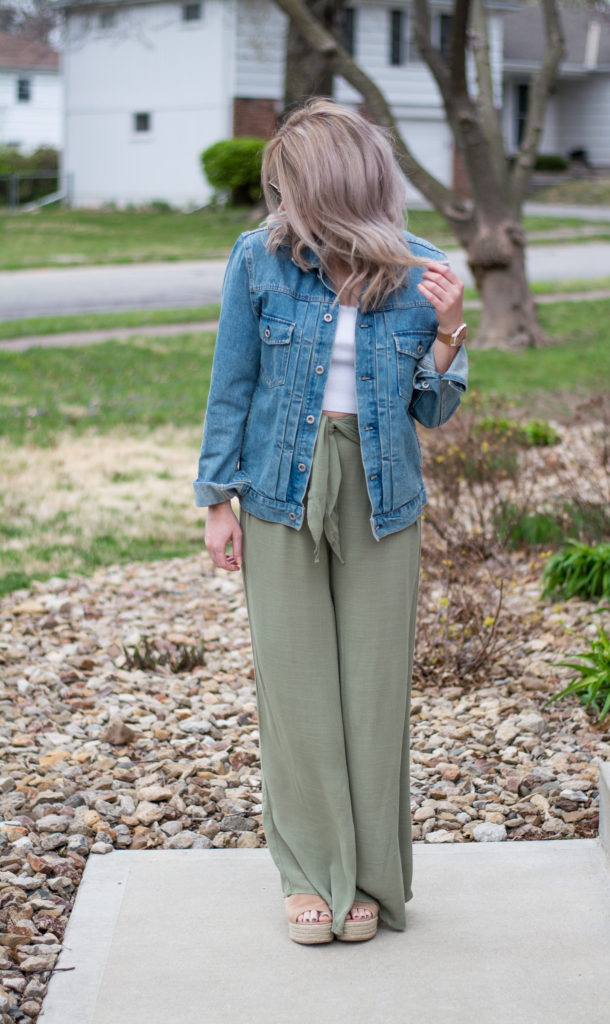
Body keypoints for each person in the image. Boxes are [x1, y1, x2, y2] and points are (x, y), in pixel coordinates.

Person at [194, 98, 468, 945]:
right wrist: (215, 500)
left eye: (292, 188)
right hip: (278, 484)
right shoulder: (259, 261)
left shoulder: (423, 272)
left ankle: (372, 882)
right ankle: (311, 874)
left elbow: (431, 412)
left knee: (373, 692)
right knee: (297, 687)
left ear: (340, 187)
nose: (281, 205)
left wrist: (450, 337)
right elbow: (231, 384)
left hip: (381, 495)